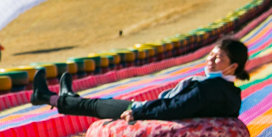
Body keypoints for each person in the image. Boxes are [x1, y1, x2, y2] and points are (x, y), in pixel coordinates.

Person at [31, 37, 249, 122]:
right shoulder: (232, 92)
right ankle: (66, 97)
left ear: (233, 66)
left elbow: (176, 106)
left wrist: (139, 112)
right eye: (211, 55)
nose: (210, 60)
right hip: (157, 110)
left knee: (96, 105)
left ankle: (46, 97)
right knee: (99, 104)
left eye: (218, 58)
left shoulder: (208, 88)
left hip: (149, 113)